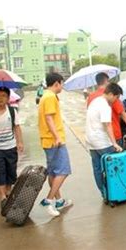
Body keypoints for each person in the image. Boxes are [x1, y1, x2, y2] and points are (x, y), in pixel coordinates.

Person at [38, 73, 72, 217]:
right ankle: (49, 200)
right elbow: (49, 118)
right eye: (62, 83)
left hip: (47, 140)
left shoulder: (44, 96)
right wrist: (57, 137)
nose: (62, 86)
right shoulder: (51, 97)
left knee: (53, 173)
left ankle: (59, 201)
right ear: (57, 83)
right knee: (64, 171)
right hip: (54, 141)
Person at [86, 83, 124, 196]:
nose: (116, 100)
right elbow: (107, 125)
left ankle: (104, 193)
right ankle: (115, 193)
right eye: (116, 97)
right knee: (113, 168)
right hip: (102, 142)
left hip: (91, 141)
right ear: (111, 94)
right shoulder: (105, 106)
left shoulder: (94, 101)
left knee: (97, 168)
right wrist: (114, 144)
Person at [87, 72, 126, 146]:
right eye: (108, 81)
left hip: (96, 138)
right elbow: (122, 113)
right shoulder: (111, 95)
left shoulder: (91, 97)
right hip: (113, 135)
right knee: (116, 157)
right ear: (106, 81)